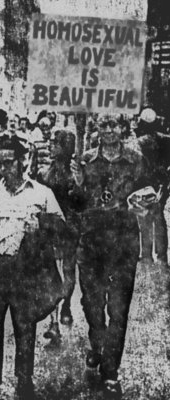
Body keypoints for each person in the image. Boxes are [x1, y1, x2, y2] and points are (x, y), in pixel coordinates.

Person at [0, 134, 67, 400]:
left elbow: (64, 230)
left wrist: (41, 224)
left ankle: (24, 380)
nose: (3, 168)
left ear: (23, 161)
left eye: (8, 162)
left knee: (25, 326)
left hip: (27, 270)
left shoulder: (42, 194)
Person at [70, 113, 148, 399]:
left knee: (119, 308)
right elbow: (75, 204)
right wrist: (77, 183)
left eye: (115, 124)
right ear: (97, 129)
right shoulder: (85, 160)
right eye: (104, 125)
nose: (110, 130)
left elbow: (150, 192)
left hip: (124, 242)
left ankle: (111, 372)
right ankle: (95, 341)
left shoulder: (136, 159)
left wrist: (145, 206)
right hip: (92, 243)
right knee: (92, 304)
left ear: (123, 128)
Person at [38, 128, 80, 343]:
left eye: (55, 143)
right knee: (51, 272)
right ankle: (53, 321)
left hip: (70, 228)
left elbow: (81, 201)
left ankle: (65, 304)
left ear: (65, 147)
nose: (50, 145)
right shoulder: (43, 172)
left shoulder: (75, 174)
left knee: (68, 269)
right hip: (49, 228)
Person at [135, 108, 170, 266]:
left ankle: (147, 254)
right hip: (162, 183)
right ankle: (162, 255)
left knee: (144, 219)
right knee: (159, 217)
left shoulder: (140, 142)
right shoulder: (166, 139)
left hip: (145, 185)